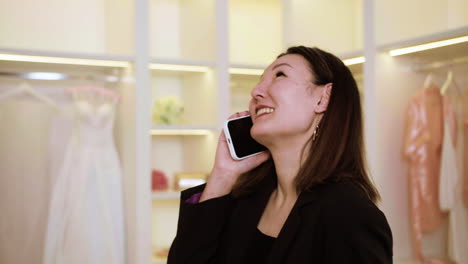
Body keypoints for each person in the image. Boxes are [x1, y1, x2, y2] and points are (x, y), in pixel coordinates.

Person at [167, 46, 393, 264]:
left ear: (324, 98)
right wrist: (222, 176)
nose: (256, 92)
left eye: (280, 75)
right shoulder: (244, 198)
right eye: (259, 81)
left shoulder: (349, 214)